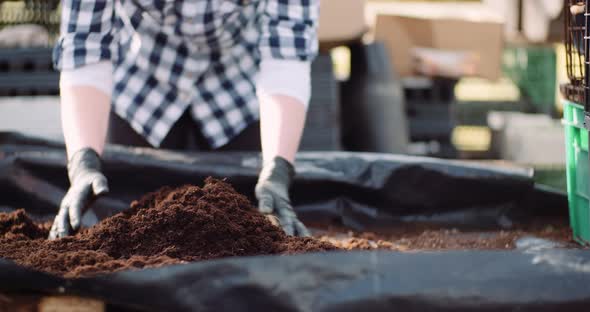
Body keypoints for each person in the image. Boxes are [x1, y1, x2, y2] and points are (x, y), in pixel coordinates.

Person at [49, 0, 319, 239]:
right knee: (136, 223)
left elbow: (287, 51)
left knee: (243, 226)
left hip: (237, 84)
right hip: (143, 85)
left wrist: (278, 169)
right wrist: (83, 162)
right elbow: (85, 44)